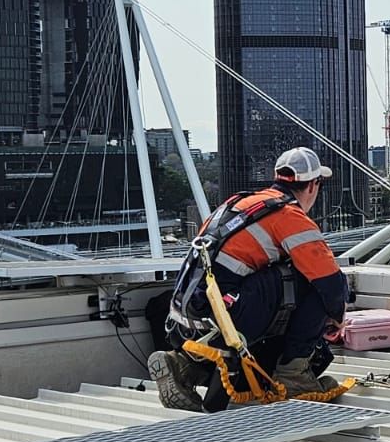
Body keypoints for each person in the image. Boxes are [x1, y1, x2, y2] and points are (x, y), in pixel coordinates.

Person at [149, 146, 349, 409]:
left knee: (268, 284)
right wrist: (337, 319)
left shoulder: (239, 203)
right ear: (313, 186)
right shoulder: (290, 216)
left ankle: (183, 365)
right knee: (309, 282)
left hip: (187, 320)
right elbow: (330, 284)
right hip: (226, 320)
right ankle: (294, 375)